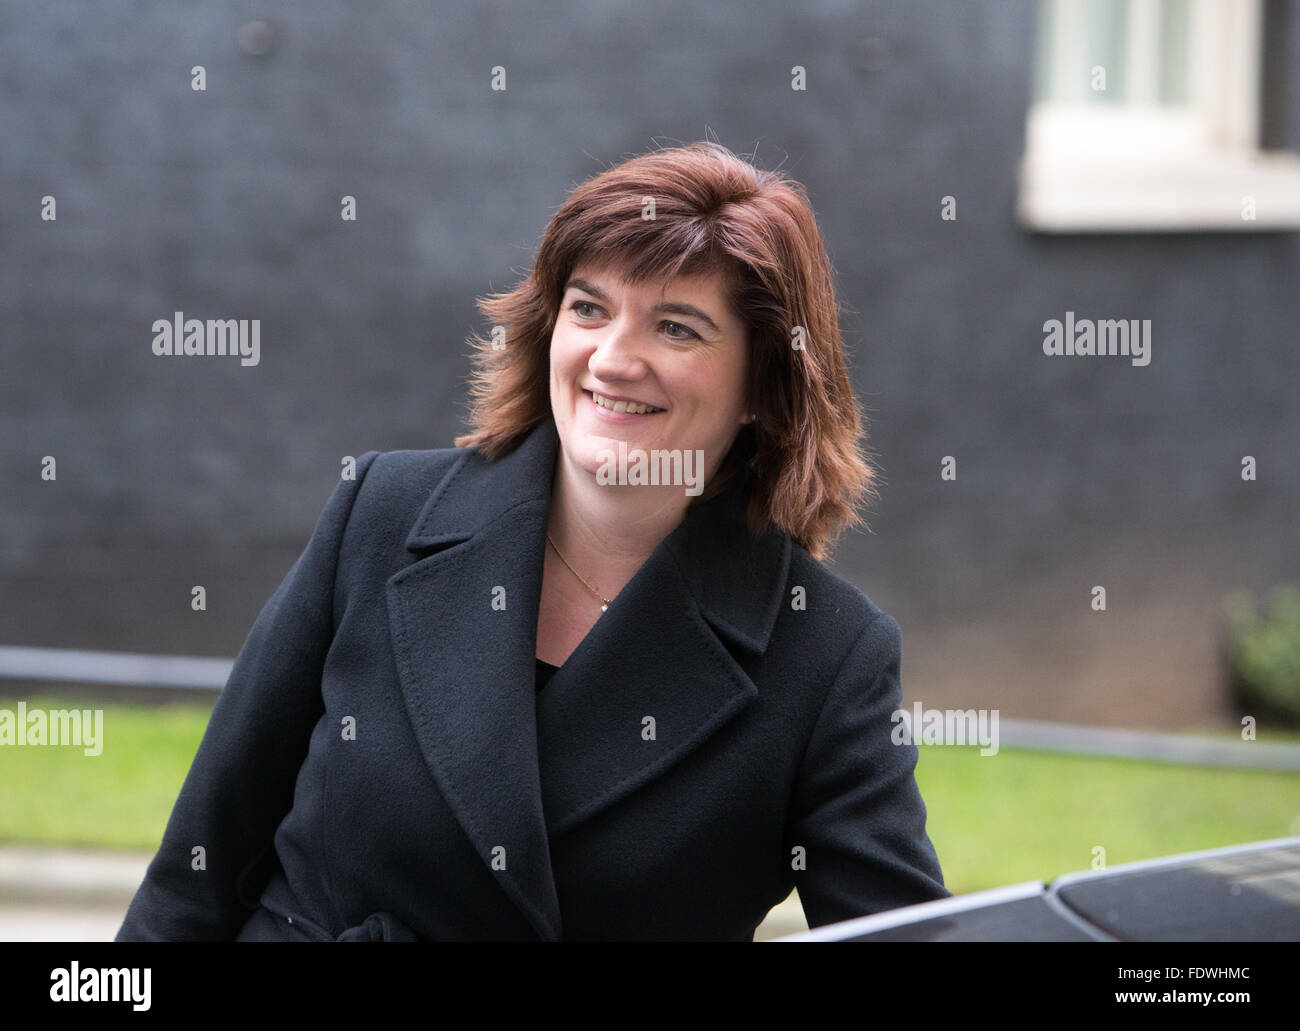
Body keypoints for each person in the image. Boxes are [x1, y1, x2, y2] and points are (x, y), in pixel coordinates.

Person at [116, 140, 948, 942]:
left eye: (678, 328)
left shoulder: (826, 654)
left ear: (764, 387)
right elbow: (198, 869)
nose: (613, 359)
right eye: (589, 308)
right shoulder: (382, 512)